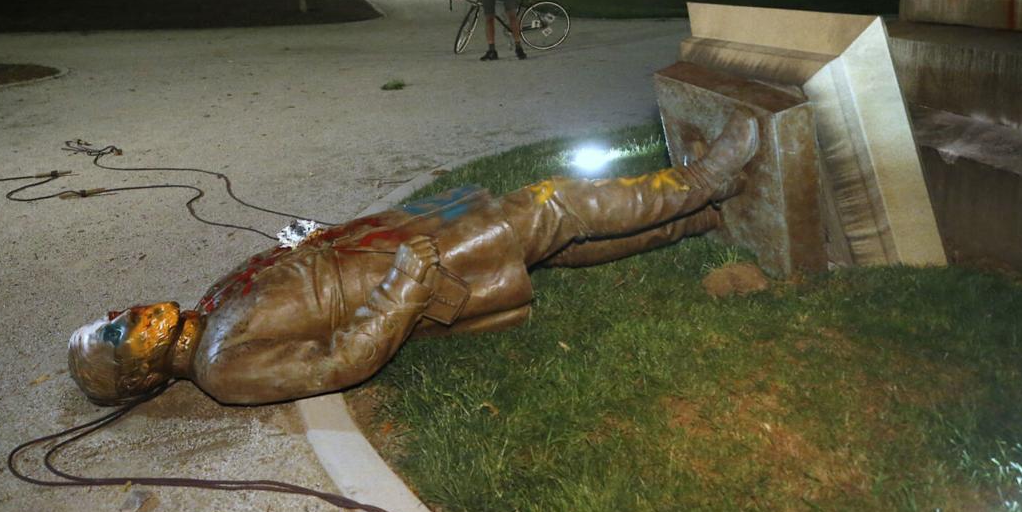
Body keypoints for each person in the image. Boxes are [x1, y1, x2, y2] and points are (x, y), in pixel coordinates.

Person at [69, 113, 759, 407]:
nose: (118, 314)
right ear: (138, 377)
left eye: (106, 316)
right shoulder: (223, 365)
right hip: (414, 271)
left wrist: (314, 240)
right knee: (552, 209)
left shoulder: (210, 304)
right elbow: (340, 360)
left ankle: (697, 219)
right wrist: (407, 281)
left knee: (552, 242)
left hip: (394, 243)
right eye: (112, 333)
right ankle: (709, 181)